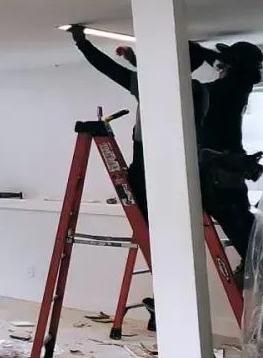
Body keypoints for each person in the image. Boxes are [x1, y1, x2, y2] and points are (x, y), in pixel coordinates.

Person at [68, 25, 211, 220]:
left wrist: (81, 42)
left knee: (145, 208)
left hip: (148, 155)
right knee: (171, 207)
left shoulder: (151, 86)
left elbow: (107, 67)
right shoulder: (199, 91)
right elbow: (165, 75)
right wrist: (135, 60)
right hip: (183, 155)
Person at [197, 41, 263, 261]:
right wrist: (194, 49)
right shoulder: (241, 84)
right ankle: (258, 271)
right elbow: (215, 60)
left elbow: (194, 91)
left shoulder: (220, 90)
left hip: (220, 173)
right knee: (244, 227)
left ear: (232, 66)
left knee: (241, 229)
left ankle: (259, 275)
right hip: (228, 169)